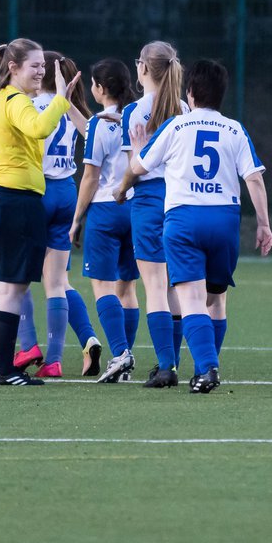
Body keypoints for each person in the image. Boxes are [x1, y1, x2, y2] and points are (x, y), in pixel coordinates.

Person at [122, 59, 272, 393]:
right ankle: (208, 365)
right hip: (224, 220)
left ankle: (207, 369)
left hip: (184, 220)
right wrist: (263, 223)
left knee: (189, 298)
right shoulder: (235, 129)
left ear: (189, 93)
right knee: (215, 299)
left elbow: (140, 166)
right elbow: (254, 179)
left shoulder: (176, 126)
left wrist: (136, 147)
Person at [0, 38, 75, 386]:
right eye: (34, 65)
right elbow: (39, 127)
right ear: (13, 68)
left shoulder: (1, 99)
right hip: (16, 201)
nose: (41, 71)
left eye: (43, 66)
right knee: (12, 290)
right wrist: (62, 97)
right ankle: (5, 370)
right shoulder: (17, 101)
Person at [106, 40, 188, 386]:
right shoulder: (184, 107)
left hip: (149, 200)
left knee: (153, 286)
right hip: (180, 201)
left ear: (142, 69)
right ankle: (173, 362)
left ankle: (165, 366)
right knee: (175, 286)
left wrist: (120, 190)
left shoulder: (133, 112)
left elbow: (134, 167)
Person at [17, 51, 101, 379]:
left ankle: (27, 346)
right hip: (67, 191)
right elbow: (92, 134)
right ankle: (53, 361)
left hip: (37, 191)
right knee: (57, 283)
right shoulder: (70, 109)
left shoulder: (31, 106)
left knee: (17, 278)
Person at [69, 57, 143, 382]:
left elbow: (90, 176)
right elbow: (90, 128)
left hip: (105, 210)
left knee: (102, 285)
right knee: (127, 288)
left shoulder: (101, 122)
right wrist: (67, 103)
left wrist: (76, 218)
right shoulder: (135, 116)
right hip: (136, 209)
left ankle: (120, 353)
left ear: (99, 89)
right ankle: (125, 360)